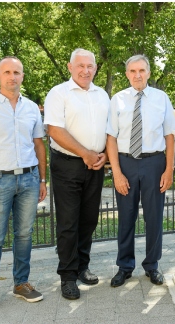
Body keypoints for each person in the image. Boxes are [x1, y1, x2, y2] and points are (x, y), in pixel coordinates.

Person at [105, 54, 175, 289]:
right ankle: (125, 267)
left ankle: (152, 266)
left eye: (142, 71)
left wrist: (169, 170)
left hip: (154, 163)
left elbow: (170, 136)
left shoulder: (161, 98)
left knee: (154, 217)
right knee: (126, 218)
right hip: (126, 163)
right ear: (127, 74)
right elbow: (111, 138)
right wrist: (116, 172)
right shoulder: (117, 99)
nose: (137, 75)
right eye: (133, 71)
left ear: (148, 72)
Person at [44, 49, 111, 300]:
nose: (85, 70)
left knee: (89, 220)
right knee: (68, 222)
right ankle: (68, 276)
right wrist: (85, 153)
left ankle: (83, 266)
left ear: (95, 68)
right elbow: (54, 130)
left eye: (90, 66)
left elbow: (108, 129)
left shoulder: (102, 95)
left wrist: (103, 154)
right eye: (80, 65)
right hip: (67, 165)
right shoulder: (58, 93)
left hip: (95, 165)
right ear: (70, 67)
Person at [0, 55, 47, 310]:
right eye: (7, 72)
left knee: (24, 235)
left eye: (17, 72)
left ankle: (21, 284)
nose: (12, 77)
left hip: (30, 178)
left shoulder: (31, 108)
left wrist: (43, 179)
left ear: (22, 76)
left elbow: (38, 144)